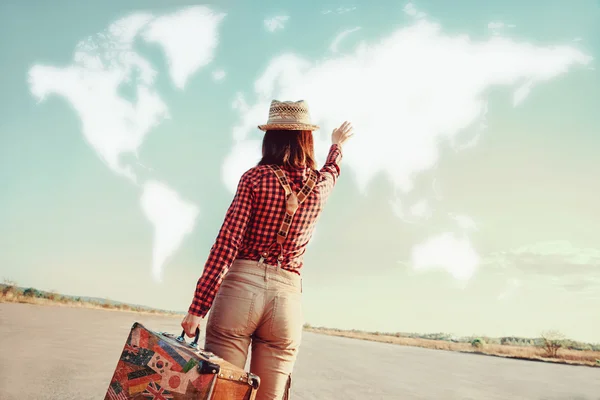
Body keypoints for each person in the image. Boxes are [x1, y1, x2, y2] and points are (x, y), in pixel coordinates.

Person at [181, 99, 354, 399]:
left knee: (223, 393)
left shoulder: (254, 179)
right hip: (286, 301)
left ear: (269, 138)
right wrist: (337, 144)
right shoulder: (320, 186)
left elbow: (227, 243)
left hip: (240, 292)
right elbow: (333, 169)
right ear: (306, 139)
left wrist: (197, 309)